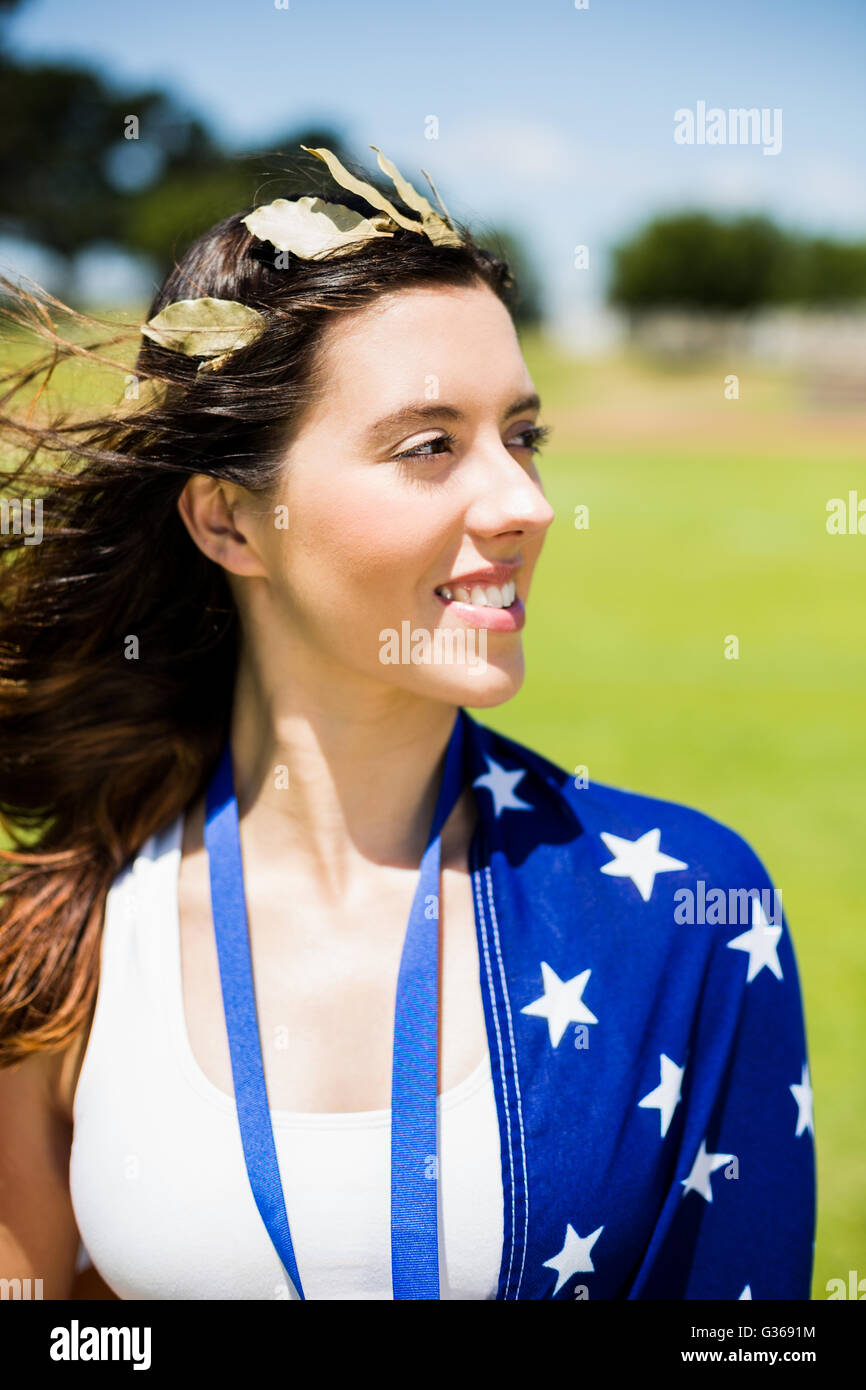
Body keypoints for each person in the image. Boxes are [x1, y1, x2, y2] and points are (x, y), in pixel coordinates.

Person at [0, 146, 815, 1301]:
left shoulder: (686, 905)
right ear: (230, 521)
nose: (524, 504)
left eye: (521, 435)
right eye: (428, 445)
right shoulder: (60, 937)